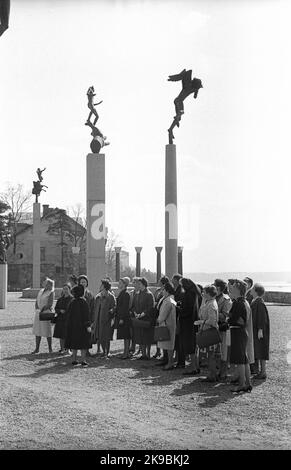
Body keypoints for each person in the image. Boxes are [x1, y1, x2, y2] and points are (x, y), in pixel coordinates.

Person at [227, 280, 252, 393]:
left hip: (238, 332)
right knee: (244, 359)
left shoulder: (238, 303)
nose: (231, 289)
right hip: (242, 332)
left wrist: (227, 320)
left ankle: (242, 384)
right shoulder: (244, 302)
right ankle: (248, 383)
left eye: (233, 288)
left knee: (240, 360)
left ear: (238, 290)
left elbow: (233, 319)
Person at [196, 285, 220, 382]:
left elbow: (212, 321)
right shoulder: (208, 302)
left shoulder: (211, 304)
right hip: (207, 330)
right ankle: (212, 374)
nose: (203, 293)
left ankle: (212, 375)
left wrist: (201, 322)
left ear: (209, 294)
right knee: (210, 355)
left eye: (204, 292)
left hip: (210, 331)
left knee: (211, 355)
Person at [65, 285, 92, 367]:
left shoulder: (72, 302)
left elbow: (68, 315)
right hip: (82, 326)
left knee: (74, 343)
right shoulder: (84, 302)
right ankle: (83, 360)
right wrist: (88, 325)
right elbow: (86, 315)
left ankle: (74, 359)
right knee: (83, 344)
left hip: (73, 326)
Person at [179, 278, 202, 375]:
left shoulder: (188, 294)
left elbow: (187, 310)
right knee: (194, 345)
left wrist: (179, 309)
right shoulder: (196, 293)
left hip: (188, 323)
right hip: (194, 322)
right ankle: (196, 366)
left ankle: (193, 367)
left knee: (190, 345)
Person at [131, 277, 155, 360]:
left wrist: (142, 314)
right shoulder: (137, 294)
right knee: (140, 337)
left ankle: (147, 354)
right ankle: (143, 354)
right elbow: (133, 306)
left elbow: (150, 307)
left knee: (146, 337)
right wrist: (135, 313)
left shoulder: (149, 294)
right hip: (138, 319)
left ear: (144, 284)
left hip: (146, 319)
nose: (138, 285)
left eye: (139, 284)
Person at [250, 283, 270, 380]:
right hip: (256, 329)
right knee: (258, 350)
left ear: (256, 291)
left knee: (261, 350)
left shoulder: (259, 303)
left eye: (252, 289)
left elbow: (261, 317)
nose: (250, 290)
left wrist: (260, 329)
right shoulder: (256, 301)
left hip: (259, 330)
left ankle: (263, 372)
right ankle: (260, 371)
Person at [92, 279, 116, 357]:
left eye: (102, 285)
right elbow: (95, 308)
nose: (100, 286)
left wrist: (112, 311)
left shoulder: (111, 296)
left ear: (105, 286)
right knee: (100, 336)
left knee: (107, 336)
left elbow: (114, 307)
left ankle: (107, 352)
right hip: (98, 320)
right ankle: (103, 351)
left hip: (107, 319)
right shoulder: (98, 296)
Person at [214, 279, 232, 380]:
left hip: (223, 328)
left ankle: (223, 372)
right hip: (215, 328)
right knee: (216, 351)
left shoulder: (226, 299)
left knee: (224, 351)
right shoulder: (213, 298)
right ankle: (218, 371)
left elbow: (226, 315)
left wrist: (213, 313)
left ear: (219, 288)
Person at [156, 282, 177, 370]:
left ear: (167, 291)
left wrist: (158, 320)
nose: (162, 291)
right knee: (168, 344)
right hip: (168, 324)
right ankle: (169, 361)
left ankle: (170, 363)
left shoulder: (168, 301)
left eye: (163, 289)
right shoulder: (168, 299)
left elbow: (163, 314)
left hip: (167, 324)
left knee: (169, 345)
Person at [32, 278, 55, 354]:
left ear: (48, 284)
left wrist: (42, 309)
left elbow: (50, 304)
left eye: (45, 282)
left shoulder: (51, 292)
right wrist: (37, 308)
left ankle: (50, 348)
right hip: (38, 313)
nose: (43, 282)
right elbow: (37, 300)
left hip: (46, 313)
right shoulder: (41, 291)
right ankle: (37, 348)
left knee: (47, 331)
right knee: (37, 330)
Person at [78, 275, 95, 356]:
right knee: (78, 334)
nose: (83, 283)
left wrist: (92, 319)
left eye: (84, 282)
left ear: (87, 283)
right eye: (81, 282)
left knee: (87, 334)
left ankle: (87, 350)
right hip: (78, 317)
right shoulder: (76, 292)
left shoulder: (90, 294)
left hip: (87, 317)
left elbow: (93, 306)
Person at [53, 284, 73, 353]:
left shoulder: (72, 299)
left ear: (70, 289)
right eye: (64, 289)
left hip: (69, 319)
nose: (65, 290)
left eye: (66, 289)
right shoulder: (60, 299)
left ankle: (68, 349)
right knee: (61, 335)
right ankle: (62, 349)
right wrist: (60, 311)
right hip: (60, 319)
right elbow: (56, 309)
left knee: (68, 335)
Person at [153, 276, 169, 359]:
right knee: (158, 334)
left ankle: (164, 354)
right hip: (158, 314)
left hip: (163, 315)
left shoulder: (166, 293)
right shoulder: (158, 291)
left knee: (163, 335)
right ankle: (158, 351)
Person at [116, 277, 131, 359]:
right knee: (125, 336)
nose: (119, 284)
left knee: (126, 336)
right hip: (122, 317)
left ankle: (126, 353)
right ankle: (125, 352)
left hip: (124, 317)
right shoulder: (122, 293)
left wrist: (122, 318)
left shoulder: (125, 294)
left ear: (124, 284)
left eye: (120, 283)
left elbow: (125, 307)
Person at [171, 273, 185, 368]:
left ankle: (179, 359)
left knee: (179, 337)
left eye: (173, 279)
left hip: (178, 315)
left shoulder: (180, 290)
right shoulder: (175, 289)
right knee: (176, 338)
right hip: (175, 314)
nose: (172, 280)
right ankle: (176, 357)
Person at [129, 277, 140, 356]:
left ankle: (140, 348)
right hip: (132, 314)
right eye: (133, 282)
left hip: (139, 315)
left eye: (135, 282)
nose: (134, 284)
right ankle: (132, 347)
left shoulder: (141, 292)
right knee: (132, 332)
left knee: (139, 332)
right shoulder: (131, 292)